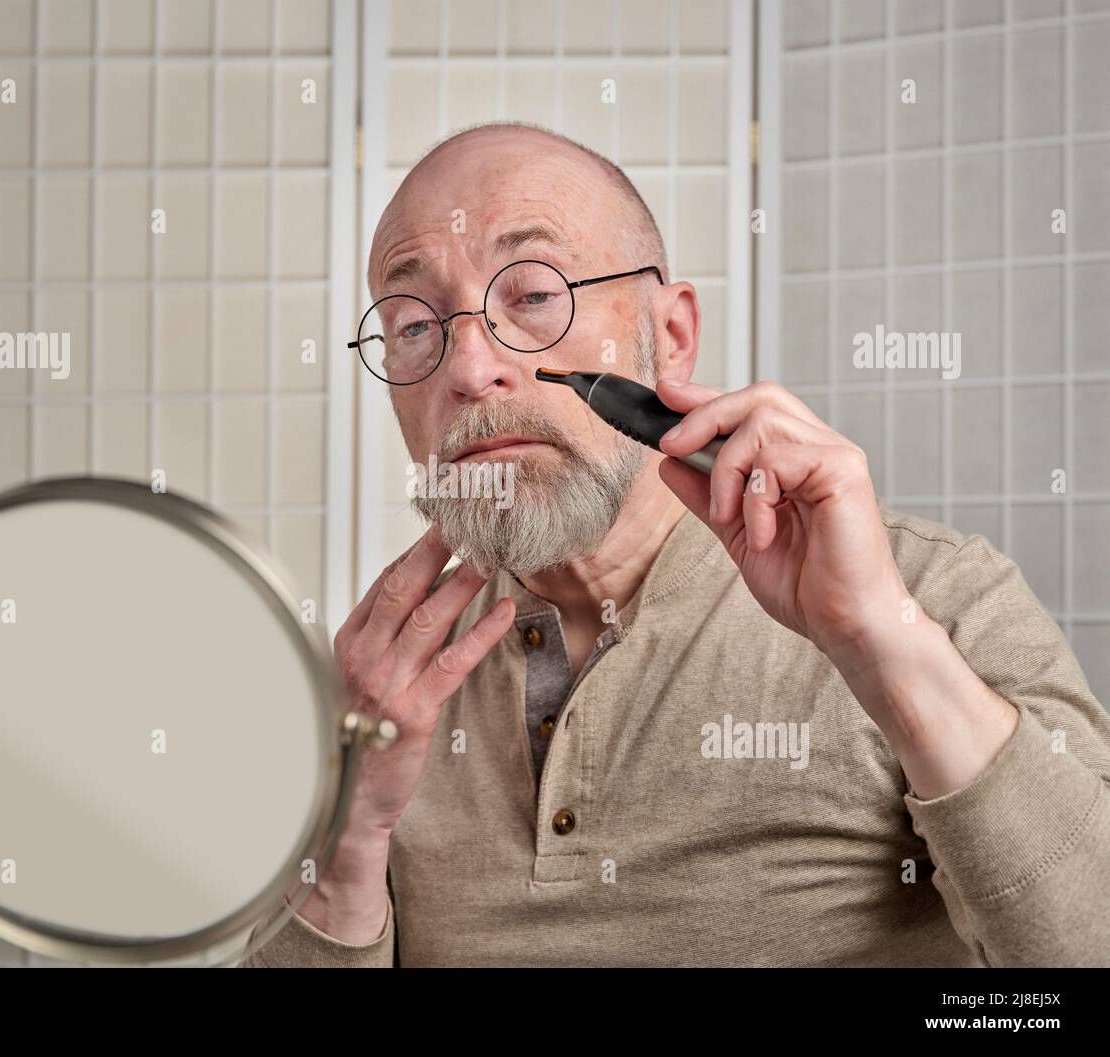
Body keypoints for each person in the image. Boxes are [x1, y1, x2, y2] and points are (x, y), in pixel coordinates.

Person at [241, 121, 1110, 967]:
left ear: (675, 335)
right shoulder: (380, 692)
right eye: (416, 325)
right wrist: (346, 841)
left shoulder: (940, 599)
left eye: (534, 294)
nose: (470, 370)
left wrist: (885, 644)